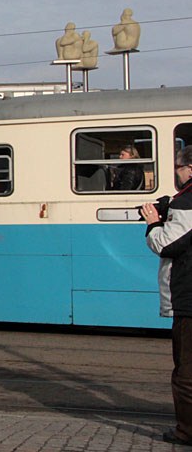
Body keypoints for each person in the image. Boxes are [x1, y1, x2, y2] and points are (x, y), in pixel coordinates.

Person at [143, 145, 192, 446]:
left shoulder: (187, 203)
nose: (177, 172)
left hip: (189, 298)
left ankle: (187, 431)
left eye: (179, 167)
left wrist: (153, 222)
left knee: (186, 371)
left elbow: (166, 245)